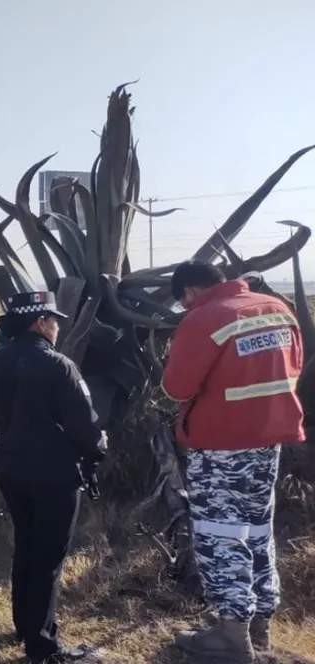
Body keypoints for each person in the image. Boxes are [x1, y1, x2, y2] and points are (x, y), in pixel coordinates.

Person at [163, 261, 305, 662]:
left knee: (219, 534)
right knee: (258, 531)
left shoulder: (203, 318)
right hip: (268, 443)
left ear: (189, 294)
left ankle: (230, 634)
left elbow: (176, 387)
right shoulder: (277, 308)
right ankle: (260, 625)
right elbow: (291, 369)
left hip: (221, 448)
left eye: (183, 303)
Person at [0, 290, 107, 663]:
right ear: (40, 323)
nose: (57, 328)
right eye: (54, 321)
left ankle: (25, 626)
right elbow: (85, 427)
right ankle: (43, 647)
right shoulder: (59, 365)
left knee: (27, 547)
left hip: (11, 469)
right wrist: (100, 446)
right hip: (55, 474)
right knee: (49, 556)